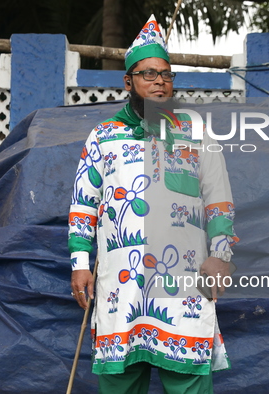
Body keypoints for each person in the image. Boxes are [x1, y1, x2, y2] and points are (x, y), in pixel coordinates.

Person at [68, 15, 238, 393]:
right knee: (120, 384)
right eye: (148, 74)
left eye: (166, 74)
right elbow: (84, 204)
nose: (160, 81)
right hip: (121, 289)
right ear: (128, 81)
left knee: (190, 384)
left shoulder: (196, 134)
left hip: (184, 285)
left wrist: (221, 255)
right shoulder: (103, 137)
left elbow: (219, 200)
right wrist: (81, 264)